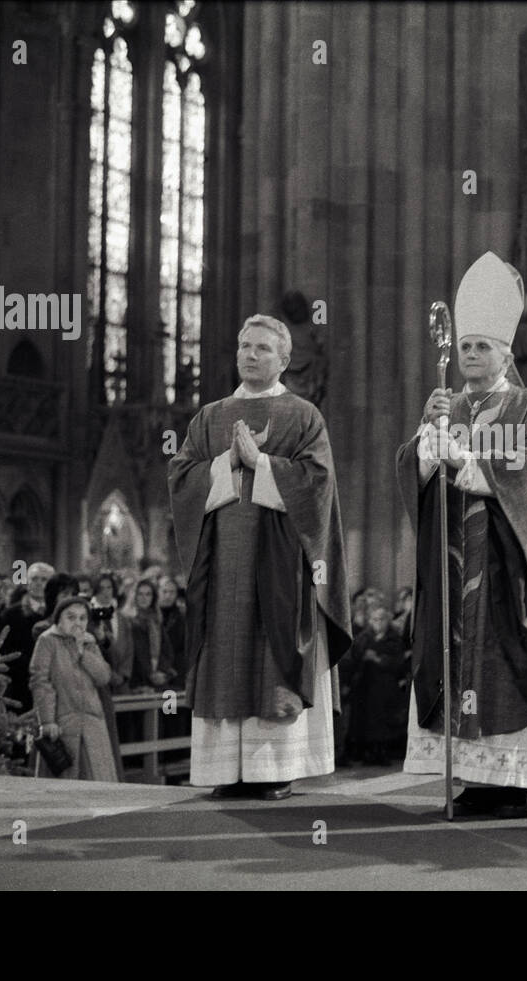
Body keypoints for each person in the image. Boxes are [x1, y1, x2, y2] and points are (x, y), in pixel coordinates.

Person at [396, 251, 527, 819]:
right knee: (455, 660)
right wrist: (425, 450)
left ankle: (512, 784)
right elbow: (413, 473)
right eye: (464, 347)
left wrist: (463, 458)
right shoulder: (445, 404)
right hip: (452, 566)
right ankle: (472, 778)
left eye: (483, 346)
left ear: (506, 353)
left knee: (508, 661)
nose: (471, 355)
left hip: (509, 566)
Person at [168, 314, 352, 800]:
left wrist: (263, 465)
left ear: (284, 359)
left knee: (273, 655)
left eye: (263, 349)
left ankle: (274, 769)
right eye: (244, 346)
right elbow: (181, 480)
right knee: (224, 652)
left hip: (281, 566)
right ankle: (225, 771)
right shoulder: (209, 417)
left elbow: (319, 484)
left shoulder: (303, 415)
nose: (250, 355)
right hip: (221, 564)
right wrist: (227, 462)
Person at [31, 596, 119, 782]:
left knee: (98, 784)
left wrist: (82, 653)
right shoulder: (47, 641)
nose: (77, 623)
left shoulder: (89, 642)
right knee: (64, 785)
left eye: (82, 618)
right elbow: (40, 682)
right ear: (59, 620)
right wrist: (47, 721)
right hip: (62, 725)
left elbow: (104, 677)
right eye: (71, 617)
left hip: (93, 725)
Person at [344, 605, 409, 765]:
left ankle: (382, 752)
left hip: (385, 686)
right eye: (374, 619)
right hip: (365, 685)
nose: (378, 623)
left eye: (381, 619)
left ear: (388, 621)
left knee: (383, 721)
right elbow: (354, 656)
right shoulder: (364, 637)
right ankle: (365, 752)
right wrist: (363, 657)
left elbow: (399, 661)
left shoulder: (394, 638)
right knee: (365, 721)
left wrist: (378, 659)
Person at [0, 561, 55, 712]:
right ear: (27, 582)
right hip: (20, 683)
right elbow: (3, 649)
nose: (39, 584)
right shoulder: (10, 614)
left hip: (52, 683)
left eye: (44, 580)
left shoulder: (57, 613)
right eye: (34, 579)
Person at [126, 579, 178, 690]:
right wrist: (150, 674)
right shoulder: (127, 621)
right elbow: (131, 656)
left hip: (158, 678)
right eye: (140, 594)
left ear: (153, 597)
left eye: (148, 594)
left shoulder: (156, 621)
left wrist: (162, 672)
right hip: (136, 681)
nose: (144, 598)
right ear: (134, 596)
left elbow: (167, 652)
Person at [157, 575, 188, 680]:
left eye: (172, 592)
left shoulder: (183, 616)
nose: (168, 595)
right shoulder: (151, 616)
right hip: (155, 670)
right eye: (164, 591)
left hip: (177, 670)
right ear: (158, 592)